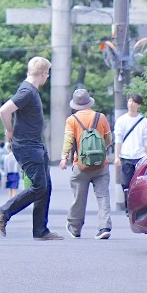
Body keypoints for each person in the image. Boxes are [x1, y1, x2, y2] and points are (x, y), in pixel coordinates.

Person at [0, 56, 56, 239]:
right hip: (27, 145)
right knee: (39, 186)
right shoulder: (27, 91)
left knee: (46, 186)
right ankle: (4, 211)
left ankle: (40, 230)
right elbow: (4, 110)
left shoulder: (30, 90)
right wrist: (9, 130)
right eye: (48, 73)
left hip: (35, 144)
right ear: (43, 73)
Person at [61, 88, 114, 240]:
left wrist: (64, 158)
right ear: (89, 102)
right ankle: (104, 227)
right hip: (101, 165)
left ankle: (75, 228)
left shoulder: (72, 120)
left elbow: (69, 140)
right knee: (103, 196)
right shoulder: (101, 117)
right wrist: (99, 150)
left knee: (79, 197)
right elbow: (108, 139)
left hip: (81, 165)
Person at [113, 94, 147, 206]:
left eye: (134, 102)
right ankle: (128, 205)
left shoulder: (144, 121)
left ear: (138, 105)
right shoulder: (121, 120)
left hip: (140, 156)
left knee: (139, 183)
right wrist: (116, 156)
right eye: (129, 101)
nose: (131, 104)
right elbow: (118, 140)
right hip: (125, 156)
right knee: (126, 183)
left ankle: (138, 204)